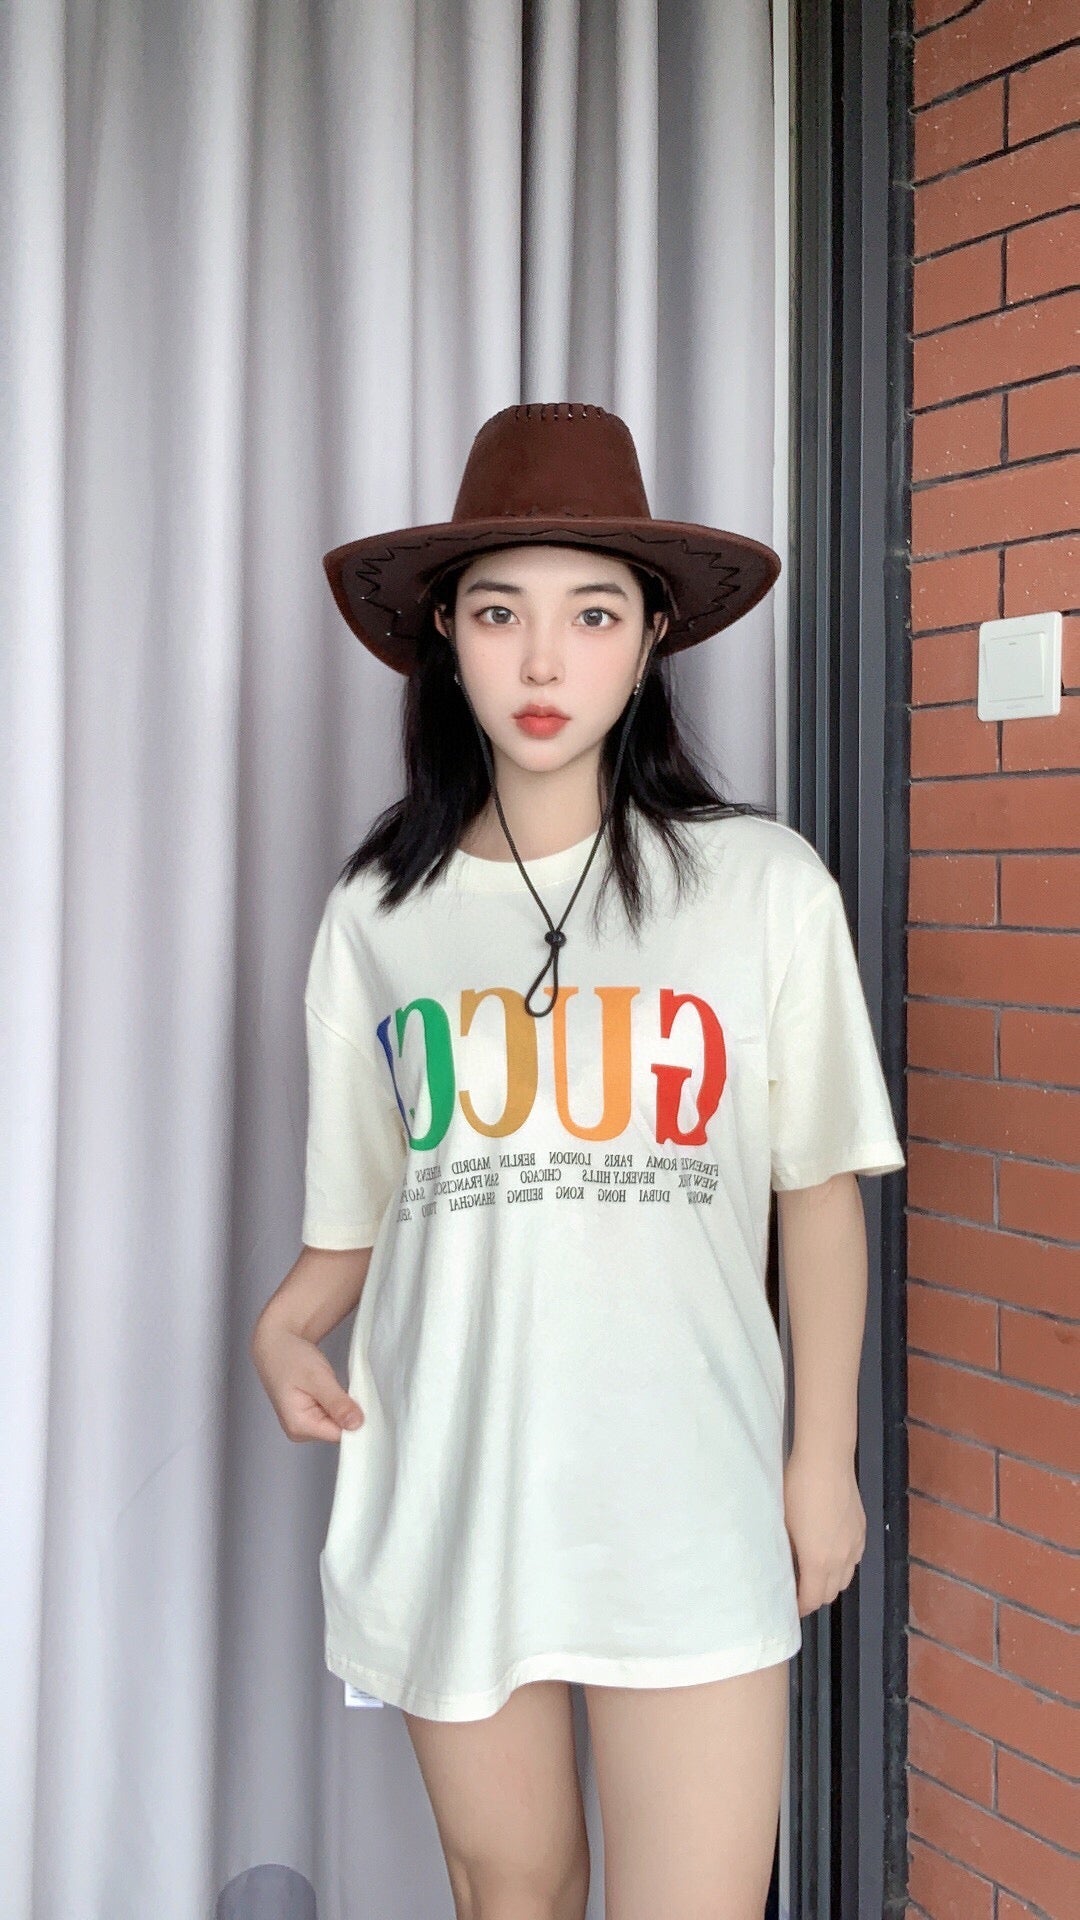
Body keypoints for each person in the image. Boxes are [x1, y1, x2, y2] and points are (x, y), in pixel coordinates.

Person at [251, 402, 905, 1920]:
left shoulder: (760, 885)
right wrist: (284, 1327)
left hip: (685, 1484)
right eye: (500, 614)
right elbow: (367, 1209)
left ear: (654, 634)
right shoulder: (376, 915)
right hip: (453, 1480)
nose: (543, 662)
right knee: (512, 1896)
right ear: (444, 638)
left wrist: (820, 1462)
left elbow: (816, 1193)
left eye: (592, 614)